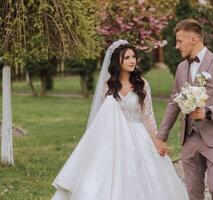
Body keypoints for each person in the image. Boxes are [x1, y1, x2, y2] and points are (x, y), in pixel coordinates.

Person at [51, 39, 188, 200]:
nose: (132, 61)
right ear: (118, 61)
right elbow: (103, 118)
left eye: (133, 57)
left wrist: (157, 140)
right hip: (113, 138)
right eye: (127, 58)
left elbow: (148, 116)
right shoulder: (107, 87)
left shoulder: (142, 84)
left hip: (138, 135)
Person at [154, 19, 213, 200]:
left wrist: (207, 112)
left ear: (193, 39)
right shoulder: (181, 67)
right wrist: (161, 136)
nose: (177, 46)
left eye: (179, 41)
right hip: (189, 138)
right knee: (193, 192)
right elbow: (173, 102)